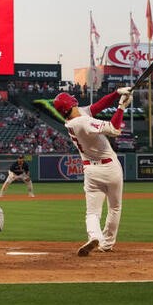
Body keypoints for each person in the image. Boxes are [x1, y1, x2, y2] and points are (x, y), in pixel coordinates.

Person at [52, 87, 132, 256]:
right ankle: (107, 244)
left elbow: (98, 106)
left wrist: (117, 93)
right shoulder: (82, 122)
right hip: (110, 168)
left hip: (90, 170)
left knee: (92, 212)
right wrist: (121, 107)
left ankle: (94, 236)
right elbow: (114, 129)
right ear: (71, 104)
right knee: (115, 208)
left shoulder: (74, 119)